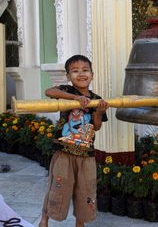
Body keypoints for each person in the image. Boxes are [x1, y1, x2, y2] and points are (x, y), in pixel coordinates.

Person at [39, 55, 109, 227]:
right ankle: (44, 219)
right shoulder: (67, 92)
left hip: (86, 154)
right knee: (58, 186)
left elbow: (96, 126)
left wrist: (98, 113)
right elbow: (49, 92)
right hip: (64, 152)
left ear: (92, 74)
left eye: (85, 70)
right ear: (68, 76)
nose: (81, 74)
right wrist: (75, 99)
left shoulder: (96, 98)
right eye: (75, 71)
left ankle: (80, 223)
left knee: (85, 189)